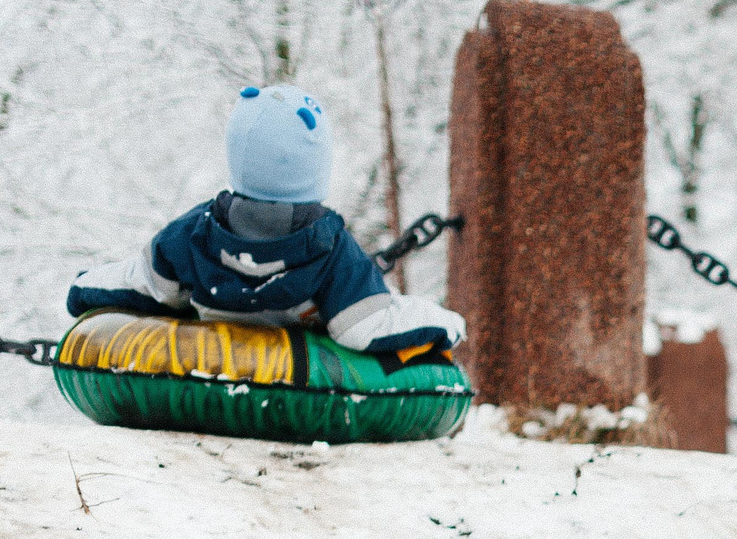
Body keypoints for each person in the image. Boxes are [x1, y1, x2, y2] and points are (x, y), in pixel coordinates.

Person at [67, 86, 462, 358]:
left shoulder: (192, 233)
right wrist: (447, 323)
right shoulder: (331, 246)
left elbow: (142, 284)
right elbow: (365, 324)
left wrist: (84, 288)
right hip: (291, 369)